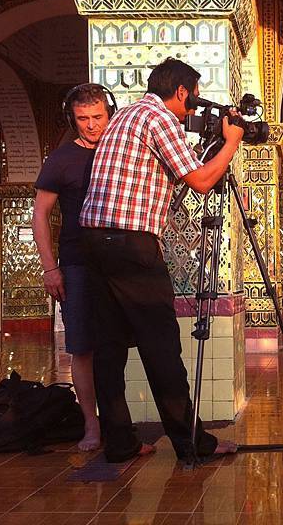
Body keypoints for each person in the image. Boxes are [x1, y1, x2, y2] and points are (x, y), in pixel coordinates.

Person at [79, 58, 244, 463]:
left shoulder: (126, 116)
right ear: (183, 92)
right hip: (131, 244)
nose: (190, 110)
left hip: (93, 242)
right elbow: (203, 182)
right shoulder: (159, 118)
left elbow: (162, 172)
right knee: (162, 347)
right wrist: (232, 142)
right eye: (192, 99)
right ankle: (192, 443)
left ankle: (120, 443)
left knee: (110, 347)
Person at [32, 83, 113, 451]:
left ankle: (119, 422)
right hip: (77, 265)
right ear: (73, 119)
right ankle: (91, 425)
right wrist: (51, 269)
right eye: (83, 119)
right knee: (81, 347)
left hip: (119, 264)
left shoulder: (121, 152)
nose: (91, 125)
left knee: (118, 344)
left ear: (109, 113)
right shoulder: (61, 159)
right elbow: (40, 215)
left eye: (97, 117)